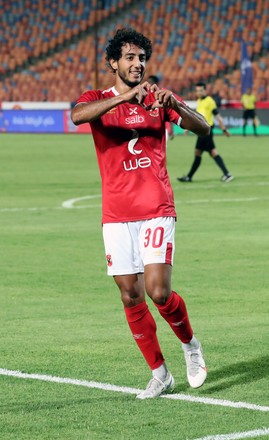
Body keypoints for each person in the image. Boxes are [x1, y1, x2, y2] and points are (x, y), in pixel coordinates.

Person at [71, 28, 210, 399]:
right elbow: (77, 116)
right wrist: (128, 98)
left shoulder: (160, 99)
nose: (138, 64)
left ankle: (191, 346)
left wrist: (176, 106)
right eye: (130, 58)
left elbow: (204, 128)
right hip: (116, 213)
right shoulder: (97, 99)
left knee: (157, 290)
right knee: (131, 295)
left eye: (141, 58)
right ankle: (160, 374)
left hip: (155, 207)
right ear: (113, 63)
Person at [177, 81, 233, 183]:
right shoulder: (199, 101)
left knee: (198, 153)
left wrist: (224, 129)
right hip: (202, 132)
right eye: (197, 91)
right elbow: (197, 118)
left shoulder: (210, 101)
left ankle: (189, 177)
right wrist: (188, 128)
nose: (199, 92)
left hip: (206, 131)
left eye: (201, 90)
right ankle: (227, 174)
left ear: (205, 90)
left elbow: (218, 116)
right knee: (213, 152)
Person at [147, 74, 174, 140]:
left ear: (156, 83)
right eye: (148, 82)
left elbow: (170, 114)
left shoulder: (162, 96)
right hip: (149, 129)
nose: (148, 84)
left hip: (163, 129)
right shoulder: (145, 96)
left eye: (150, 82)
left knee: (161, 150)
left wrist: (171, 130)